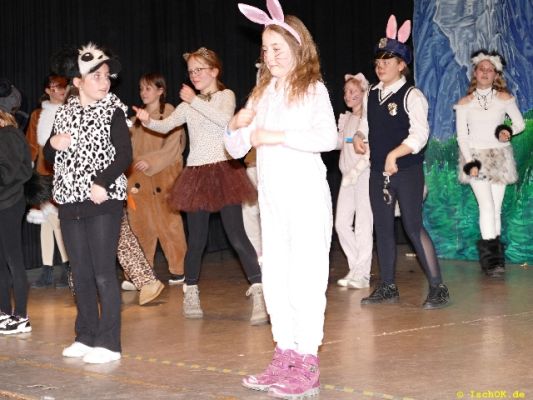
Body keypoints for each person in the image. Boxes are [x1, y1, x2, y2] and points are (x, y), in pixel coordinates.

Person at [225, 1, 338, 397]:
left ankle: (306, 361)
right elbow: (236, 148)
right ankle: (285, 353)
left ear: (297, 48)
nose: (270, 56)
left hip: (305, 198)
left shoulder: (313, 89)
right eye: (266, 49)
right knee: (275, 277)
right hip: (272, 202)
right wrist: (234, 125)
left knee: (306, 277)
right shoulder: (262, 93)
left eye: (278, 49)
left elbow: (329, 137)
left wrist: (276, 136)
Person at [133, 47, 267, 325]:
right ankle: (190, 292)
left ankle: (259, 292)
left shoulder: (225, 96)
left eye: (199, 70)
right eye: (191, 71)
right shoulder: (187, 104)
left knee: (237, 236)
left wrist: (194, 101)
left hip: (224, 171)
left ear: (214, 71)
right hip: (196, 174)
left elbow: (226, 121)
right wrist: (149, 121)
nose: (194, 75)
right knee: (197, 240)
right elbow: (167, 125)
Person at [353, 15, 450, 309]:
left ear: (401, 64)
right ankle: (387, 286)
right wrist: (359, 136)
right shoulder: (371, 94)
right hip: (378, 172)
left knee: (412, 226)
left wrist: (395, 154)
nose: (380, 66)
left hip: (406, 171)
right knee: (382, 228)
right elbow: (366, 125)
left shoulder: (412, 95)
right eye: (377, 61)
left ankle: (438, 287)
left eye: (387, 61)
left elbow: (420, 134)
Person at [44, 43, 132, 364]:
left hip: (102, 201)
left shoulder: (114, 110)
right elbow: (48, 155)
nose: (104, 82)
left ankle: (109, 343)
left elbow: (124, 155)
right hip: (70, 201)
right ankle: (85, 335)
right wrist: (52, 144)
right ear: (78, 82)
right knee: (79, 272)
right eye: (96, 76)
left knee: (103, 273)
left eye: (107, 76)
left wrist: (102, 182)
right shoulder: (64, 112)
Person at [455, 50, 525, 278]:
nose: (485, 72)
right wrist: (470, 162)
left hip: (499, 158)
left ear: (496, 75)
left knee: (495, 208)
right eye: (481, 69)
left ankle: (495, 261)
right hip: (475, 158)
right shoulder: (465, 103)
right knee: (485, 206)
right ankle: (492, 261)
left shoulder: (504, 99)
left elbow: (519, 124)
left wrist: (507, 131)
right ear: (475, 73)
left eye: (490, 69)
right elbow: (462, 137)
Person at [126, 72, 187, 286]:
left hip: (164, 177)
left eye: (148, 88)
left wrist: (151, 161)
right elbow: (127, 149)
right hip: (139, 180)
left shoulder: (170, 113)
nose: (143, 92)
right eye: (141, 88)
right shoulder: (135, 120)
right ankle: (140, 274)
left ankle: (179, 269)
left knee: (169, 224)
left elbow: (173, 148)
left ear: (160, 90)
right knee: (140, 226)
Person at [25, 74, 70, 288]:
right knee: (46, 222)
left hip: (65, 173)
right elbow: (31, 145)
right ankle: (49, 269)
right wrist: (28, 170)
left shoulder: (71, 111)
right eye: (53, 87)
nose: (58, 91)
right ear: (47, 90)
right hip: (43, 174)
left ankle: (67, 267)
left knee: (58, 222)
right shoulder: (38, 114)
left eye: (61, 87)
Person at [0, 79, 33, 335]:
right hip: (3, 202)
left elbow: (8, 173)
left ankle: (21, 315)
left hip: (9, 203)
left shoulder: (9, 135)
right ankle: (3, 312)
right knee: (1, 261)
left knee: (14, 259)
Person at [335, 73, 373, 289]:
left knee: (363, 224)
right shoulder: (347, 119)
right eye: (345, 92)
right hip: (347, 177)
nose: (347, 95)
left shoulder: (368, 120)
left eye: (352, 91)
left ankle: (363, 275)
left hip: (363, 174)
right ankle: (356, 268)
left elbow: (370, 151)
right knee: (341, 224)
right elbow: (338, 143)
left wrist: (357, 171)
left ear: (363, 92)